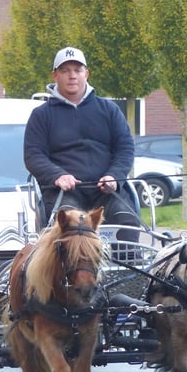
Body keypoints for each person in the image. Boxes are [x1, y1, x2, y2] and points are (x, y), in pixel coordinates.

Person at [24, 46, 141, 244]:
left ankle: (132, 273)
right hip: (64, 193)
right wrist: (57, 176)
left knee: (127, 221)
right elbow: (33, 155)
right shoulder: (41, 115)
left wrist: (114, 176)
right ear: (55, 75)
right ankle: (71, 275)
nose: (72, 76)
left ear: (86, 74)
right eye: (65, 70)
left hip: (106, 192)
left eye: (77, 70)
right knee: (72, 227)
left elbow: (125, 148)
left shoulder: (109, 110)